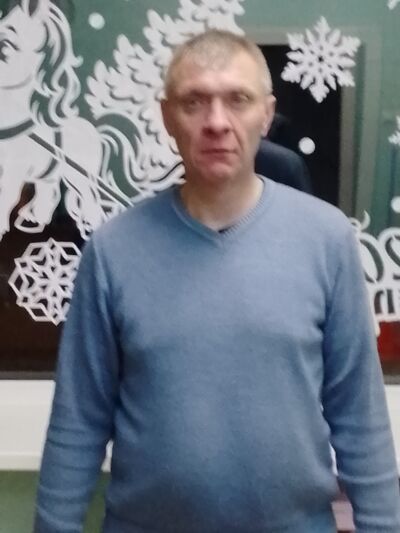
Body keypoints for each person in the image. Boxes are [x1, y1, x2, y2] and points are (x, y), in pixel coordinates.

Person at [34, 29, 400, 532]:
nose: (217, 122)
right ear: (167, 117)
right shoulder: (113, 251)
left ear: (266, 115)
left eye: (238, 100)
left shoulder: (327, 240)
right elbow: (78, 421)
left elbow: (359, 416)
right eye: (194, 102)